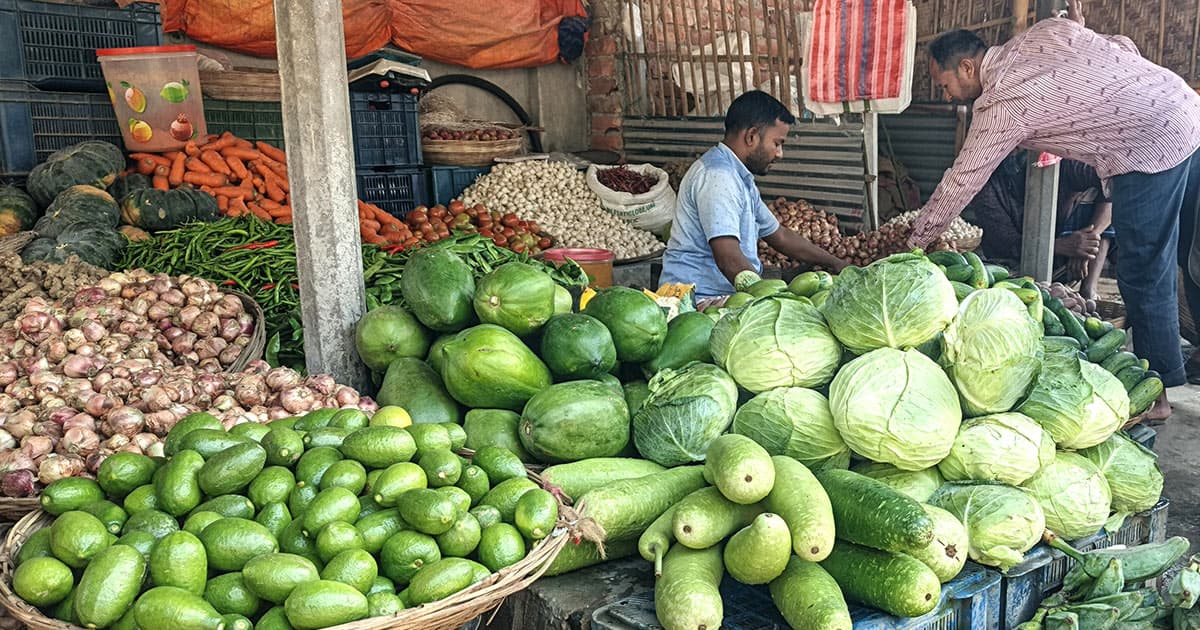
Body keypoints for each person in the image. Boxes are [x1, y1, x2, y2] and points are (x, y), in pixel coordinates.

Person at [906, 0, 1200, 421]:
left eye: (945, 84)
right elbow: (1121, 44)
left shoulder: (1002, 101)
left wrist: (917, 241)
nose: (946, 94)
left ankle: (1158, 396)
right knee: (1192, 256)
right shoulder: (1045, 32)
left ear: (969, 69)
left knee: (1143, 267)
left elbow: (963, 178)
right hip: (1184, 108)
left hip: (1148, 146)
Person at [660, 90, 847, 299]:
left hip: (725, 296)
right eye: (777, 143)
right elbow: (728, 258)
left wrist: (837, 264)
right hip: (697, 300)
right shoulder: (718, 177)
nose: (779, 154)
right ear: (751, 136)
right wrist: (768, 300)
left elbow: (781, 236)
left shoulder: (740, 177)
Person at [967, 154, 1113, 300]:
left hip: (1067, 261)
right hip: (1010, 265)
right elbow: (1006, 243)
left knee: (1105, 210)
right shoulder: (986, 182)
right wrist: (1062, 246)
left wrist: (1089, 240)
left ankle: (1089, 290)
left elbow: (1111, 184)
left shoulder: (1062, 162)